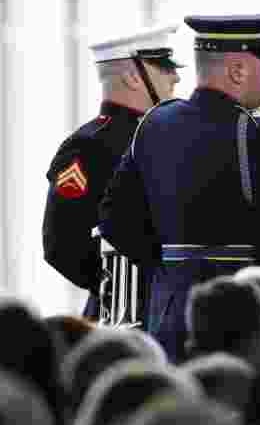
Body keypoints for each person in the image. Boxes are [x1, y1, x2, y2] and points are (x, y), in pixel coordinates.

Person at [99, 15, 260, 363]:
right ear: (237, 71)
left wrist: (169, 265)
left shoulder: (154, 122)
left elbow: (114, 219)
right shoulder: (253, 133)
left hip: (167, 310)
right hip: (237, 313)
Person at [43, 24, 182, 321]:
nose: (175, 76)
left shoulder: (170, 133)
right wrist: (120, 285)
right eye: (163, 66)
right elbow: (62, 243)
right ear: (133, 76)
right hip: (124, 315)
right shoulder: (89, 146)